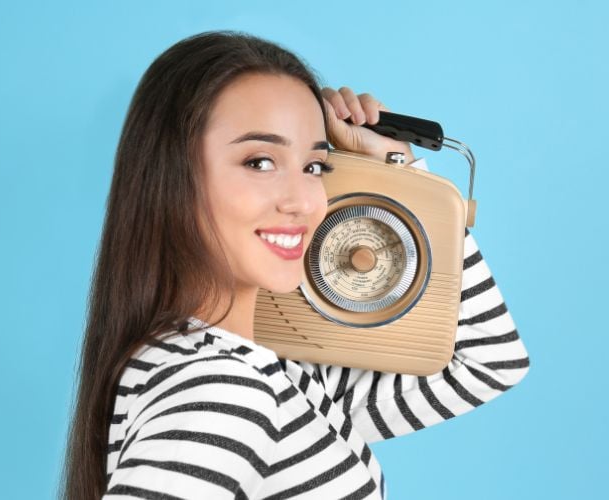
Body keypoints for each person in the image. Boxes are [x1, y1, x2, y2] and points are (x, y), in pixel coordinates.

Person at [61, 30, 530, 500]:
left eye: (315, 167)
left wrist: (395, 167)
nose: (305, 202)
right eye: (260, 162)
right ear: (169, 178)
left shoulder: (276, 370)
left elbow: (486, 361)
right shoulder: (223, 391)